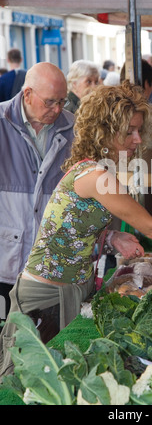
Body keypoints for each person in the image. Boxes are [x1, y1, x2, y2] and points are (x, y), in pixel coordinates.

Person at [0, 80, 152, 378]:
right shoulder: (95, 174)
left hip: (72, 288)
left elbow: (74, 220)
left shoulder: (99, 170)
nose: (137, 139)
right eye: (129, 132)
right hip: (45, 296)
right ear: (103, 132)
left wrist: (110, 235)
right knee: (24, 382)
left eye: (139, 130)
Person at [0, 62, 74, 319]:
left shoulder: (73, 127)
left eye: (62, 101)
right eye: (50, 102)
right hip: (6, 262)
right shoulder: (1, 123)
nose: (57, 109)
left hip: (52, 265)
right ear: (27, 94)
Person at [120, 60, 152, 218]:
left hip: (117, 189)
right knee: (151, 232)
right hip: (150, 187)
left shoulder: (112, 113)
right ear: (147, 84)